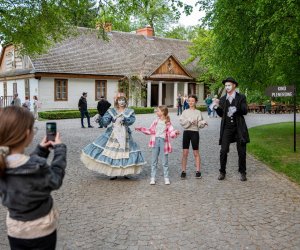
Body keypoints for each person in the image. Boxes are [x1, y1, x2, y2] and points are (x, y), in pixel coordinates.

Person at [0, 106, 67, 250]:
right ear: (27, 134)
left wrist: (41, 150)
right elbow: (55, 180)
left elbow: (24, 165)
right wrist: (60, 150)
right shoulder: (38, 165)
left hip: (15, 229)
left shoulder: (2, 165)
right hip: (41, 229)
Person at [81, 95, 146, 179]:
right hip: (113, 134)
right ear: (117, 101)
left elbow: (131, 121)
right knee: (112, 153)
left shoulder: (129, 111)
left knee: (124, 153)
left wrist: (125, 120)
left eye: (123, 100)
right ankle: (113, 173)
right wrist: (99, 118)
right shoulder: (112, 111)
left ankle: (124, 172)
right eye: (120, 100)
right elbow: (105, 122)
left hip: (125, 134)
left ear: (125, 102)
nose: (121, 102)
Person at [212, 77, 250, 181]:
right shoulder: (223, 99)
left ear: (234, 86)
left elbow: (245, 111)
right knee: (223, 150)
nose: (227, 87)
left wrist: (236, 109)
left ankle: (242, 172)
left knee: (241, 151)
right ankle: (222, 172)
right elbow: (221, 114)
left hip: (239, 127)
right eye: (226, 86)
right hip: (227, 128)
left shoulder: (241, 97)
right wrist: (216, 107)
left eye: (229, 85)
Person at [135, 106, 180, 185]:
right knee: (154, 161)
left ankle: (166, 178)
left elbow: (171, 132)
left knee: (164, 161)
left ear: (162, 112)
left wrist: (175, 132)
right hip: (155, 141)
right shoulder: (155, 121)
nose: (156, 112)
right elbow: (150, 131)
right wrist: (140, 129)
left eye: (158, 111)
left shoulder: (167, 122)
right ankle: (153, 178)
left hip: (164, 142)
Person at [179, 95, 208, 179]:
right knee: (185, 152)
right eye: (189, 101)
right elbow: (182, 123)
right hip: (186, 133)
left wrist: (203, 123)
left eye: (192, 101)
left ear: (195, 102)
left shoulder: (198, 112)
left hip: (195, 132)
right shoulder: (185, 112)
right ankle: (183, 171)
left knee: (196, 152)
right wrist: (189, 121)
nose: (191, 102)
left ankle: (198, 171)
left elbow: (199, 124)